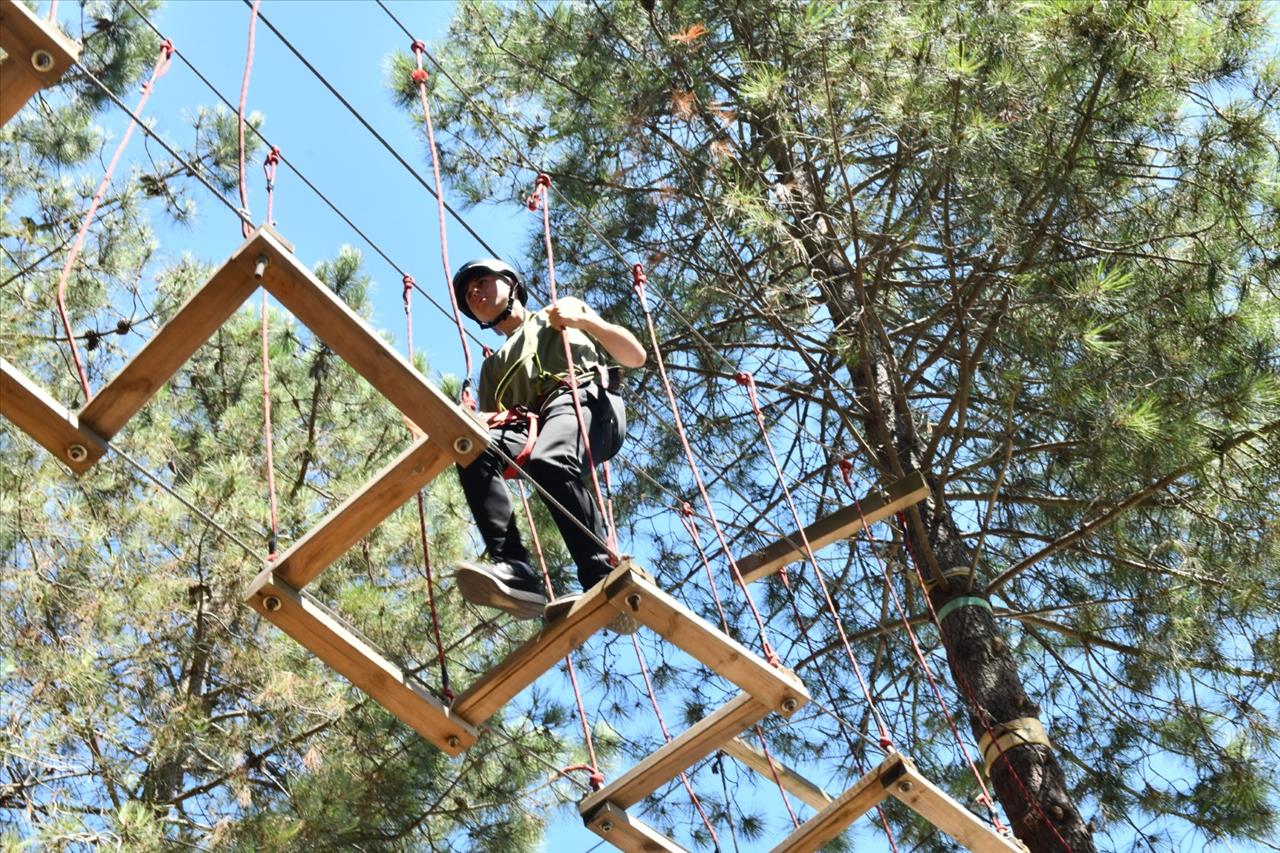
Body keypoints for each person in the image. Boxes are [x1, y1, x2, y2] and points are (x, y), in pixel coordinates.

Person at [448, 258, 646, 629]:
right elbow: (498, 432)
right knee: (473, 448)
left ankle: (600, 572)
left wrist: (585, 320)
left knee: (549, 461)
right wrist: (459, 428)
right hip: (536, 422)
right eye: (467, 293)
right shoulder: (492, 369)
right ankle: (515, 569)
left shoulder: (559, 315)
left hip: (585, 398)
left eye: (481, 282)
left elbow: (635, 356)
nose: (474, 293)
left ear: (511, 284)